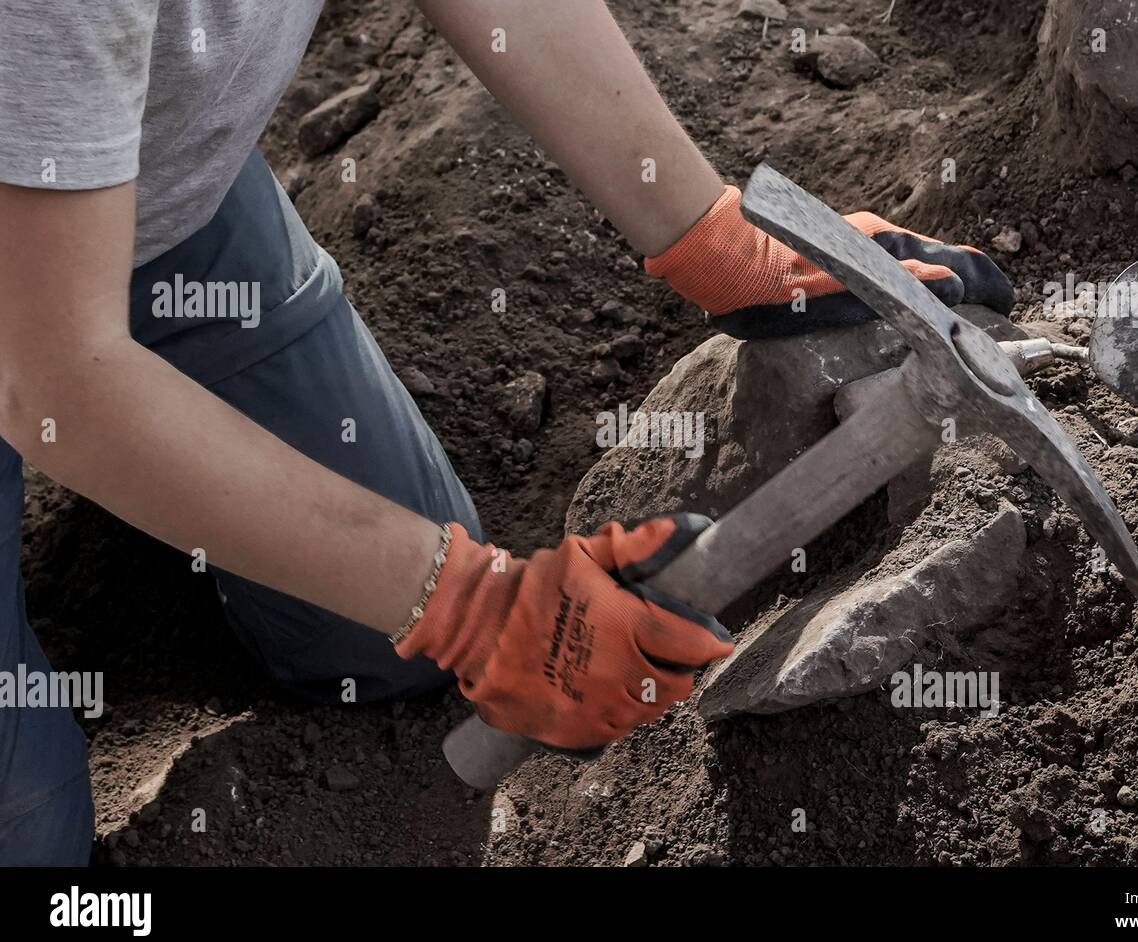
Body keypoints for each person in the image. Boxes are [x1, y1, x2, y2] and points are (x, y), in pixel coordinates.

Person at [0, 1, 1012, 865]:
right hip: (43, 331)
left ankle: (151, 475)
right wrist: (476, 602)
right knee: (31, 826)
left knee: (379, 639)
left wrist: (710, 233)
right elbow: (53, 381)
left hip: (156, 210)